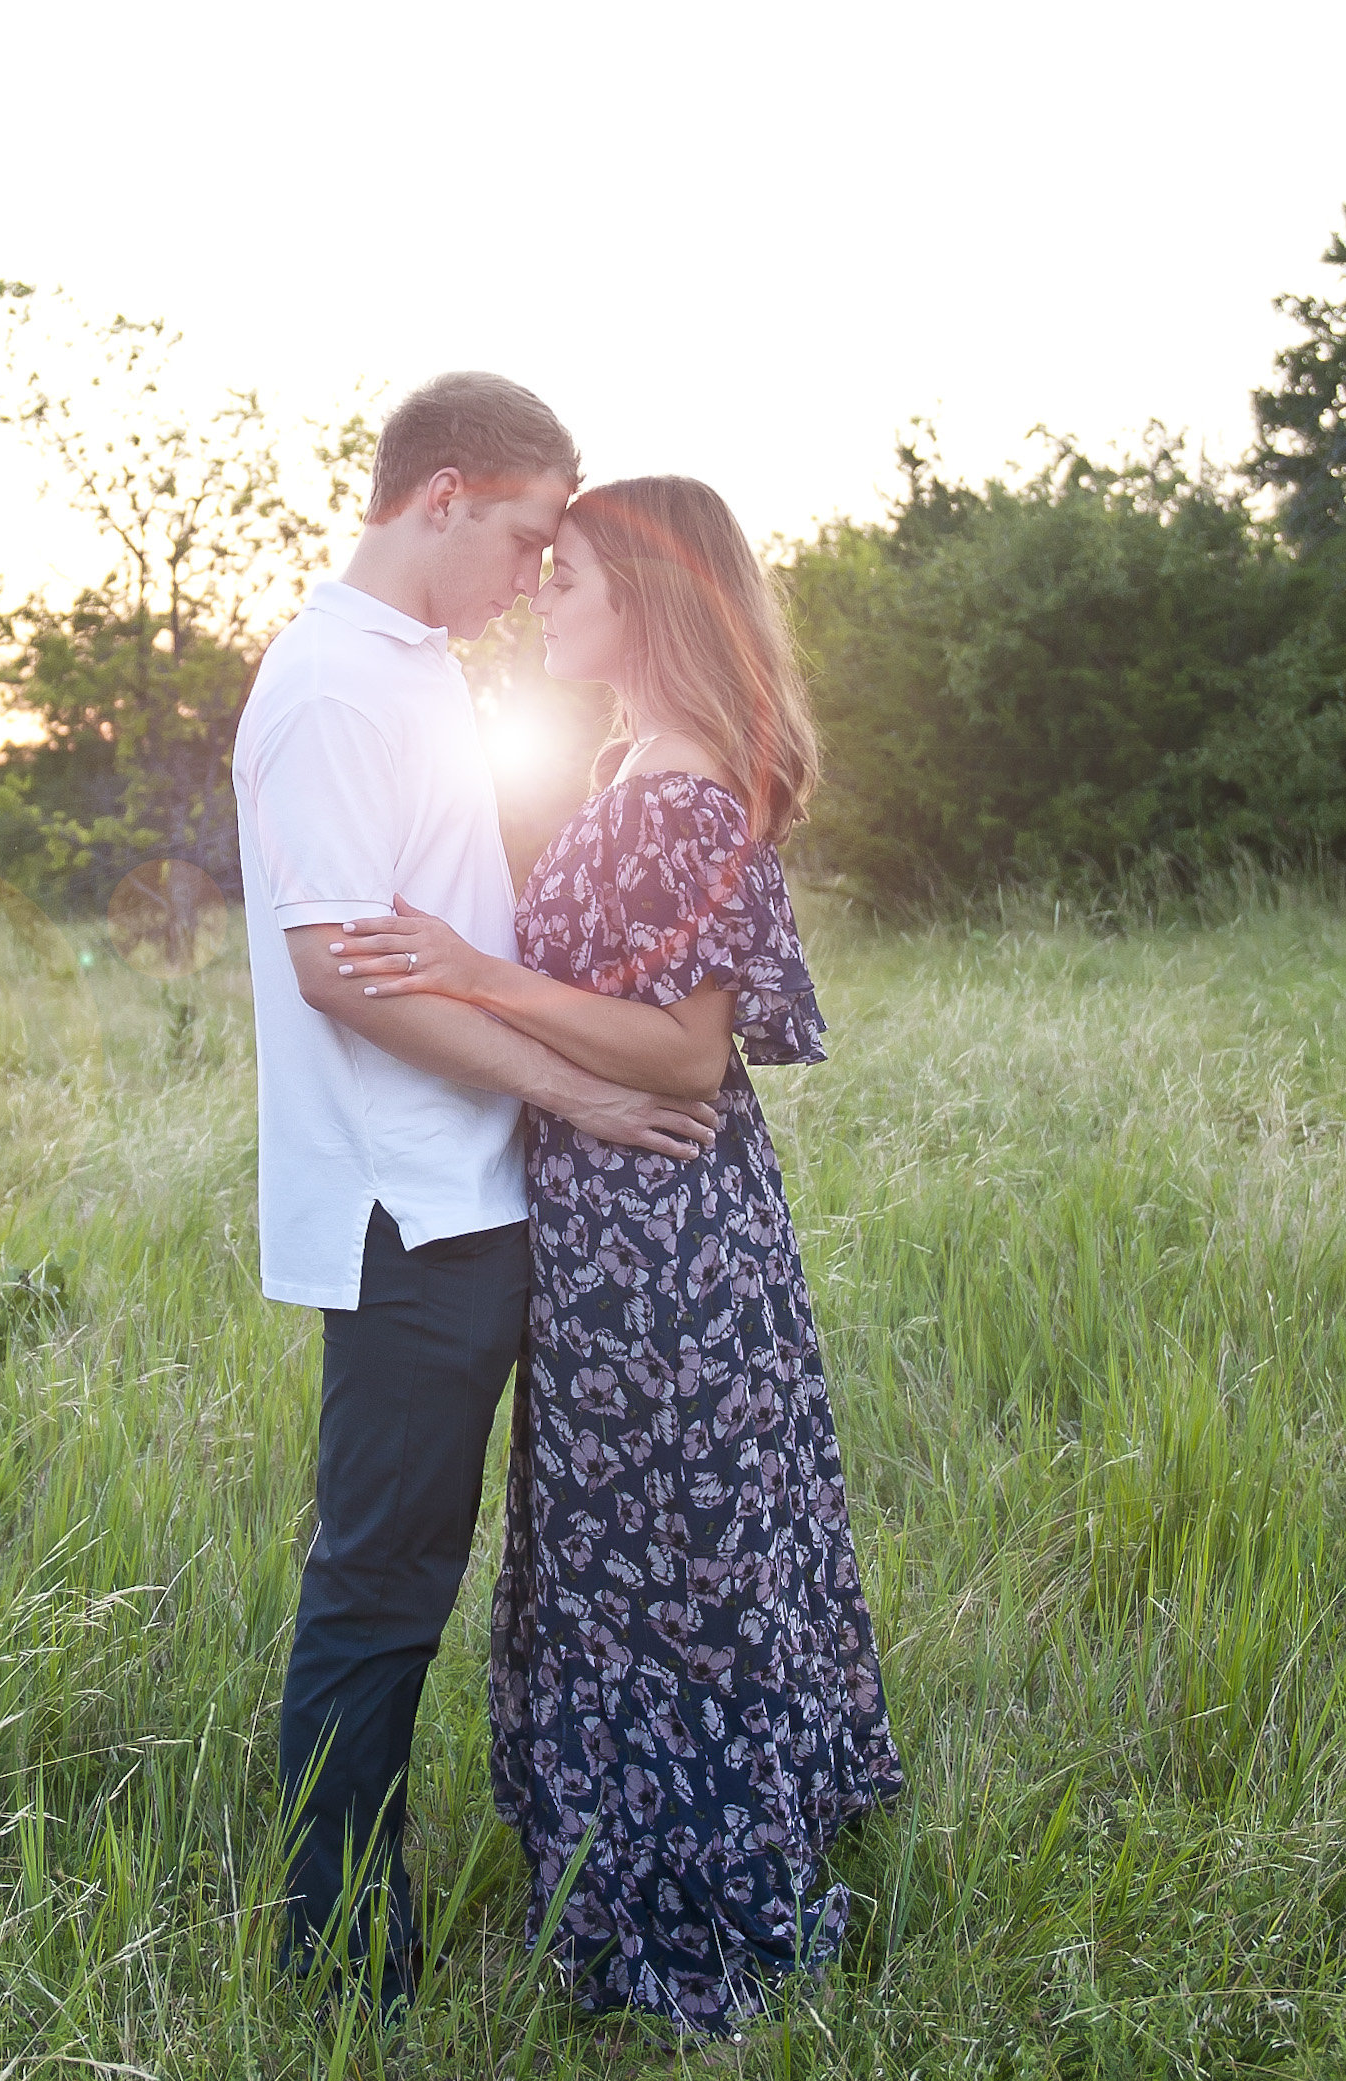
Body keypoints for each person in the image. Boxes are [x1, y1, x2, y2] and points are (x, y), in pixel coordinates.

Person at [325, 474, 904, 2039]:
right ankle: (654, 1863)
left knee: (658, 1574)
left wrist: (470, 975)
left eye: (565, 574)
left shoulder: (679, 793)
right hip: (633, 1230)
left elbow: (682, 1060)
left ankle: (692, 1918)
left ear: (646, 598)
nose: (541, 597)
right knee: (632, 1566)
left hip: (662, 1248)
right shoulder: (632, 766)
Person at [232, 377, 724, 2008]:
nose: (532, 575)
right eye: (523, 536)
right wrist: (586, 1086)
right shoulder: (324, 688)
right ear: (440, 496)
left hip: (478, 1194)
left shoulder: (420, 670)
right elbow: (341, 975)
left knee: (473, 1581)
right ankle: (338, 1960)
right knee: (378, 1590)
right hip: (405, 1218)